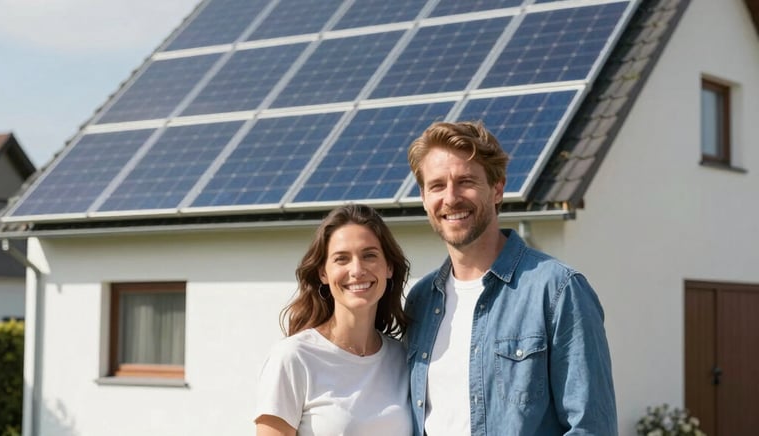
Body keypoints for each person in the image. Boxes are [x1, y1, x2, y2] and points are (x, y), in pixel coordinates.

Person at [404, 120, 617, 435]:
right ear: (423, 197)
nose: (450, 198)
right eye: (437, 186)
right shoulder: (421, 301)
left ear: (497, 189)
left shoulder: (557, 290)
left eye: (465, 181)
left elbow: (591, 427)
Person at [254, 203, 412, 436]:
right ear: (323, 273)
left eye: (369, 255)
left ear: (388, 267)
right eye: (342, 259)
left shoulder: (403, 358)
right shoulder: (293, 357)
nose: (357, 270)